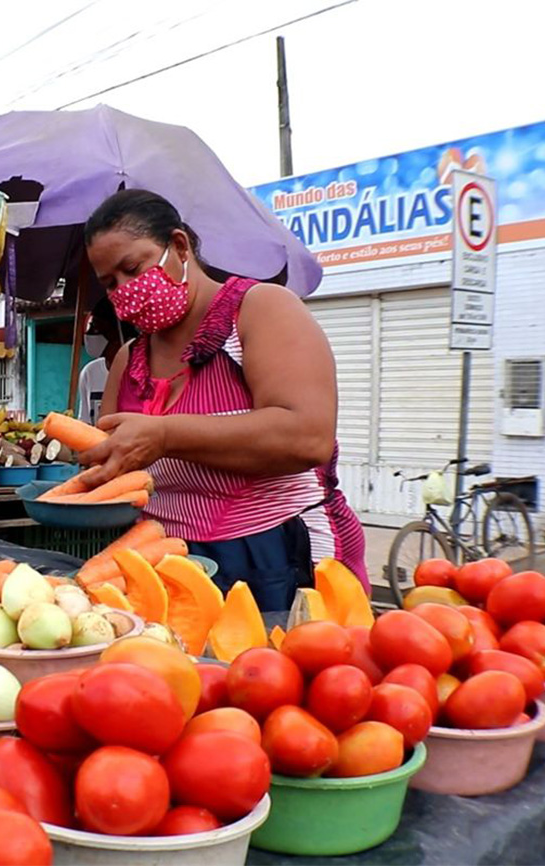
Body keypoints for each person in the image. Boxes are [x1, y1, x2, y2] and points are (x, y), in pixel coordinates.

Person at [77, 189, 365, 611]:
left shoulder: (260, 310)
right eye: (110, 283)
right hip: (167, 562)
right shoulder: (129, 359)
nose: (125, 290)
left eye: (132, 268)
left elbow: (307, 437)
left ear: (179, 246)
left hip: (280, 555)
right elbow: (115, 472)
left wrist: (164, 434)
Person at [76, 297, 137, 426]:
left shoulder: (139, 373)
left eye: (96, 328)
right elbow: (85, 422)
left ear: (116, 334)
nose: (90, 334)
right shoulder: (89, 373)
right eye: (90, 328)